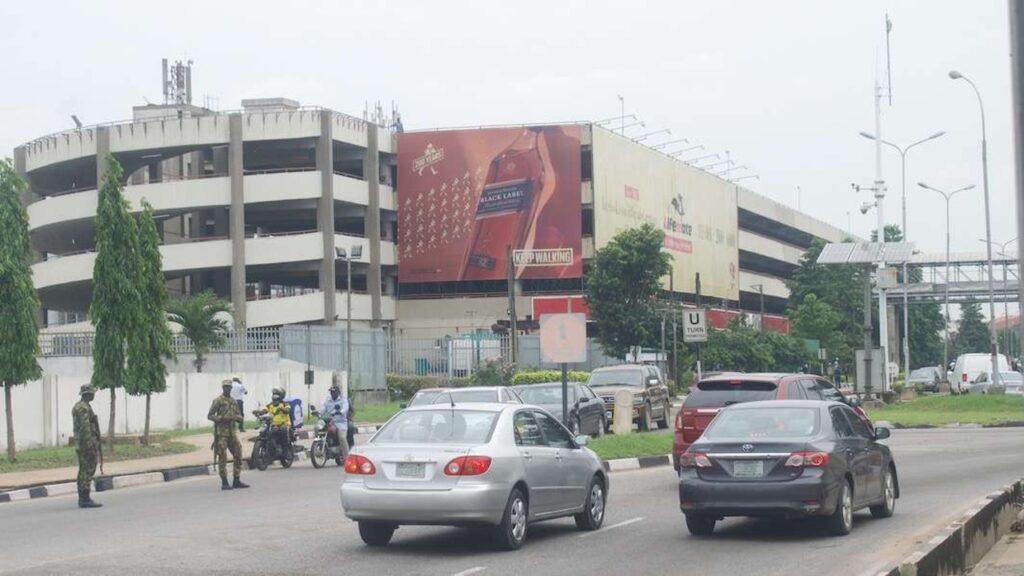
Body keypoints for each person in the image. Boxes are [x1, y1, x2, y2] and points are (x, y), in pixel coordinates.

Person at [208, 380, 250, 491]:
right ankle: (224, 482)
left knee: (238, 453)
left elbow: (239, 416)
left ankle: (236, 479)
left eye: (229, 387)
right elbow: (210, 415)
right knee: (222, 456)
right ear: (223, 388)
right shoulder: (218, 401)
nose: (227, 389)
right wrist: (221, 418)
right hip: (221, 434)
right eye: (225, 387)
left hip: (232, 433)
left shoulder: (233, 401)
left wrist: (237, 418)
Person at [73, 385, 102, 509]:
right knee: (87, 470)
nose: (93, 395)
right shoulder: (83, 408)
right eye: (92, 393)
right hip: (86, 444)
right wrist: (90, 445)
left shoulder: (81, 406)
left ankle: (83, 497)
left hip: (83, 443)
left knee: (84, 470)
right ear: (87, 394)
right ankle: (84, 498)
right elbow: (85, 428)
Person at [322, 384, 351, 460]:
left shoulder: (343, 400)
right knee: (317, 429)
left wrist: (340, 412)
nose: (332, 393)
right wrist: (318, 412)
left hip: (341, 423)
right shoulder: (328, 400)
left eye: (333, 392)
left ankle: (347, 457)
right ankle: (322, 446)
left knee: (342, 437)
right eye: (331, 392)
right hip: (330, 422)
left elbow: (345, 408)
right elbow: (323, 408)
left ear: (338, 393)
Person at [265, 388, 293, 456]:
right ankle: (273, 449)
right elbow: (265, 409)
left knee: (283, 430)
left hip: (285, 424)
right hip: (274, 424)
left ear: (281, 396)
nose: (274, 396)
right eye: (274, 395)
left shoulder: (285, 403)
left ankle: (285, 450)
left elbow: (288, 410)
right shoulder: (270, 404)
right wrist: (259, 412)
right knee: (269, 432)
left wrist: (283, 409)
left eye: (276, 395)